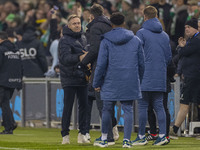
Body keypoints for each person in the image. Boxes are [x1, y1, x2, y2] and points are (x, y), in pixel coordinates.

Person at [92, 12, 145, 148]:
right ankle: (127, 140)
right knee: (128, 109)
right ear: (123, 23)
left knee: (106, 109)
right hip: (129, 79)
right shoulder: (135, 40)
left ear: (111, 24)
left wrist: (97, 82)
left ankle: (104, 138)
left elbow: (101, 64)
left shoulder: (106, 41)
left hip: (110, 80)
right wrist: (138, 78)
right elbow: (141, 64)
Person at [132, 6, 172, 146]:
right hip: (160, 76)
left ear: (145, 16)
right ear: (156, 16)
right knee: (159, 106)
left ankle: (142, 136)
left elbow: (136, 54)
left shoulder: (141, 33)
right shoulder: (165, 35)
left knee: (142, 106)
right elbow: (168, 58)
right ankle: (162, 136)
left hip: (144, 76)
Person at [78, 4, 118, 144]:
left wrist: (82, 63)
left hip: (100, 68)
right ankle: (112, 133)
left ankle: (108, 137)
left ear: (91, 16)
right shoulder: (109, 25)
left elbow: (95, 50)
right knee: (108, 103)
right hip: (113, 68)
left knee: (102, 104)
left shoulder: (95, 27)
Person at [58, 14, 89, 144]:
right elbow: (64, 59)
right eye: (74, 23)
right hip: (69, 77)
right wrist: (80, 58)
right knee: (68, 107)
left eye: (78, 23)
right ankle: (65, 135)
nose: (77, 25)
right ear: (69, 26)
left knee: (85, 107)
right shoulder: (64, 40)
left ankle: (83, 133)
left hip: (83, 76)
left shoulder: (84, 38)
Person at [170, 18, 200, 138]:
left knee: (184, 102)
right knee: (191, 103)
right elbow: (183, 53)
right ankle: (176, 128)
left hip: (192, 77)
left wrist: (181, 47)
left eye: (189, 27)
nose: (186, 29)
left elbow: (184, 52)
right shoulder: (192, 40)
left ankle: (174, 129)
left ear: (195, 28)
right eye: (185, 27)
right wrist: (182, 47)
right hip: (191, 76)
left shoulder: (197, 40)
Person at [0, 31, 22, 134]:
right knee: (5, 103)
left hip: (3, 81)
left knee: (4, 103)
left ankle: (9, 126)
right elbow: (20, 66)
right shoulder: (16, 49)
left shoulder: (1, 49)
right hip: (13, 81)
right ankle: (10, 123)